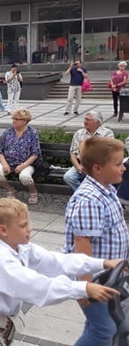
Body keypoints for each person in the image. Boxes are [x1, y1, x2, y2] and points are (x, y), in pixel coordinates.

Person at [0, 198, 120, 346]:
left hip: (3, 320)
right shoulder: (0, 261)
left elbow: (56, 261)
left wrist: (102, 263)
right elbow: (36, 285)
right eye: (23, 225)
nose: (30, 228)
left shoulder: (23, 248)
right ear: (3, 230)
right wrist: (83, 288)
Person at [64, 136, 129, 345]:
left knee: (98, 326)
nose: (124, 168)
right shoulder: (89, 200)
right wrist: (85, 287)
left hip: (109, 275)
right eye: (118, 164)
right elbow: (82, 246)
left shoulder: (107, 190)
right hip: (95, 280)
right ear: (98, 169)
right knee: (104, 331)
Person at [0, 109, 41, 204]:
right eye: (13, 118)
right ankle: (10, 190)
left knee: (25, 177)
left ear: (25, 121)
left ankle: (33, 191)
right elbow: (0, 151)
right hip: (8, 161)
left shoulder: (32, 133)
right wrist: (5, 164)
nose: (14, 121)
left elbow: (35, 154)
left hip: (27, 163)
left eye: (17, 119)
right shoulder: (8, 132)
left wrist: (23, 165)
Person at [64, 111, 114, 191]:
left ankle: (92, 195)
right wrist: (77, 166)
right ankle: (83, 194)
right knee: (68, 177)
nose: (85, 122)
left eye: (88, 120)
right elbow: (73, 153)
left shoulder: (107, 133)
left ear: (97, 122)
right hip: (82, 165)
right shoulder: (79, 133)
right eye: (85, 119)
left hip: (99, 167)